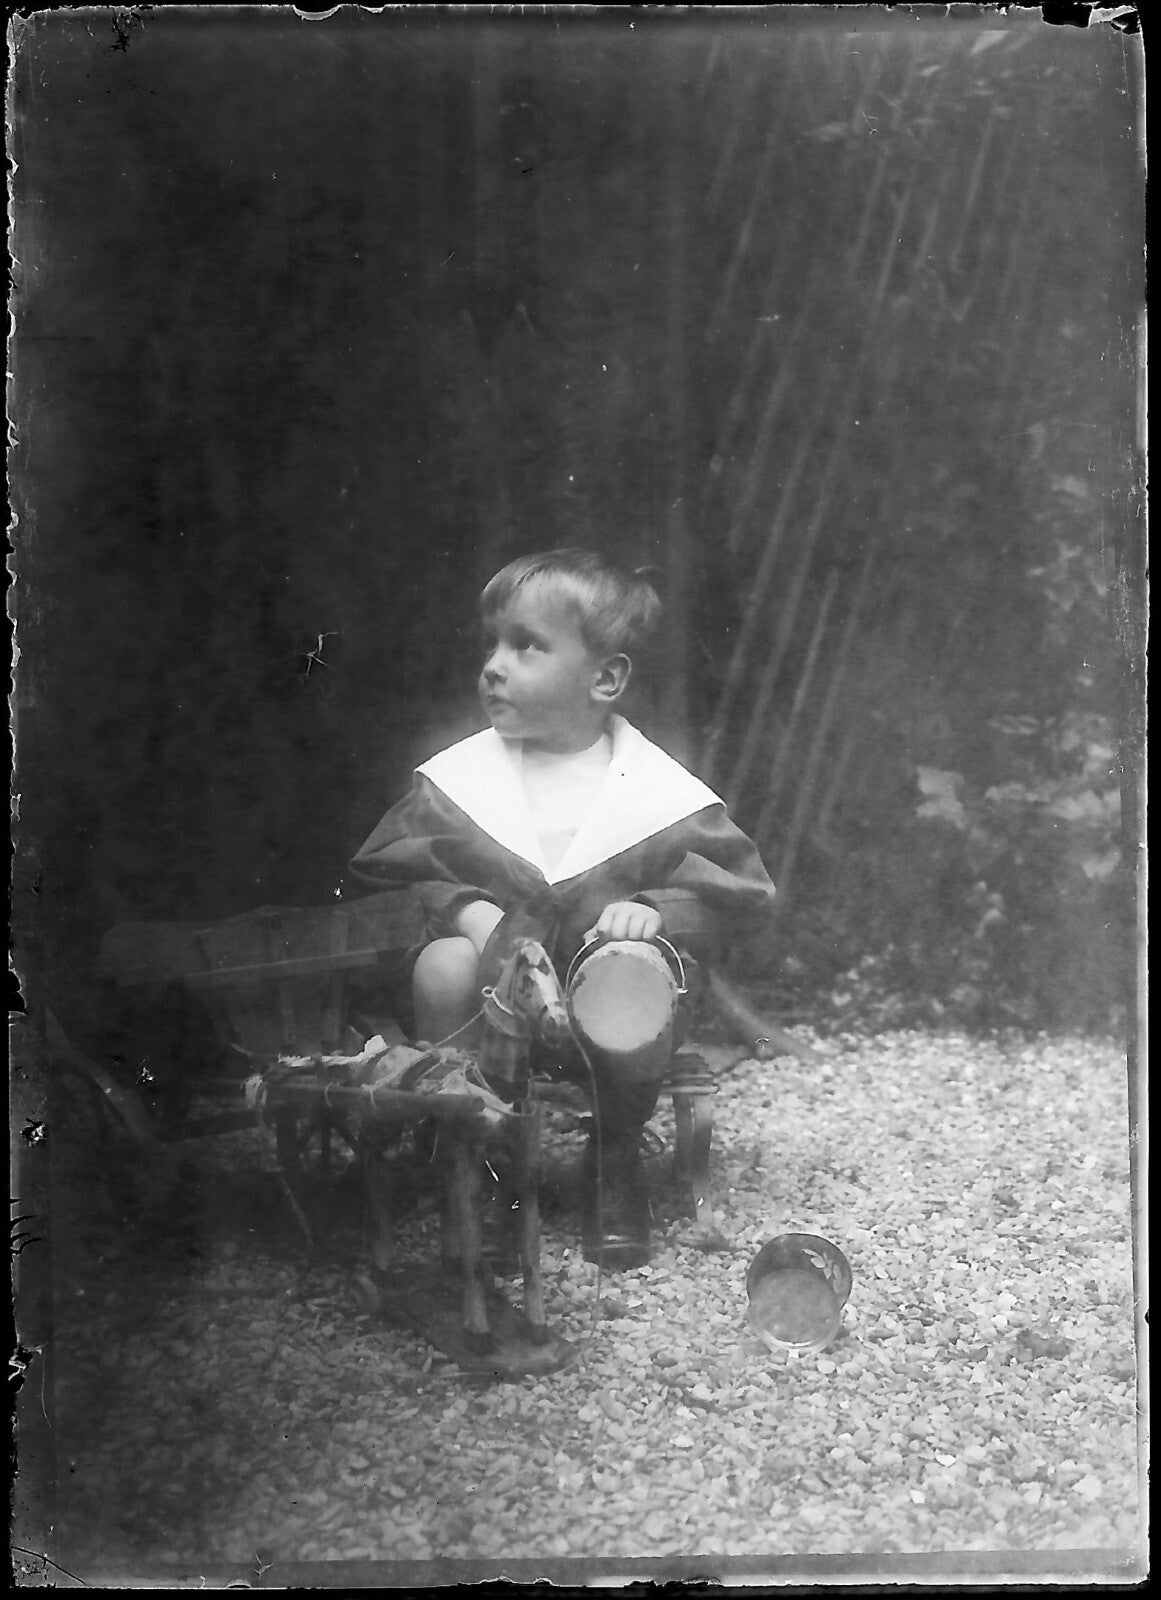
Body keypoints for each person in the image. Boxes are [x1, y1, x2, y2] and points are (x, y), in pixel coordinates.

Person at [349, 547, 776, 1266]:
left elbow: (737, 894)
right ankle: (472, 1155)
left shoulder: (655, 793)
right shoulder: (462, 782)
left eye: (525, 646)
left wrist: (656, 910)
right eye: (492, 644)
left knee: (630, 963)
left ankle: (613, 1156)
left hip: (607, 997)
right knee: (443, 964)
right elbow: (392, 872)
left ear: (604, 679)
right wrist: (463, 909)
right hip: (494, 990)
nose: (494, 665)